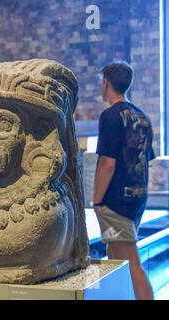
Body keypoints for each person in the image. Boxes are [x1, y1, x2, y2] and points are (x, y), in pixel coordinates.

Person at [93, 61, 155, 300]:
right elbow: (145, 159)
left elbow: (107, 164)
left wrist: (97, 201)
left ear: (106, 83)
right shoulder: (143, 117)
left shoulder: (110, 116)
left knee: (130, 261)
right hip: (137, 198)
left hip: (115, 201)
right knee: (114, 253)